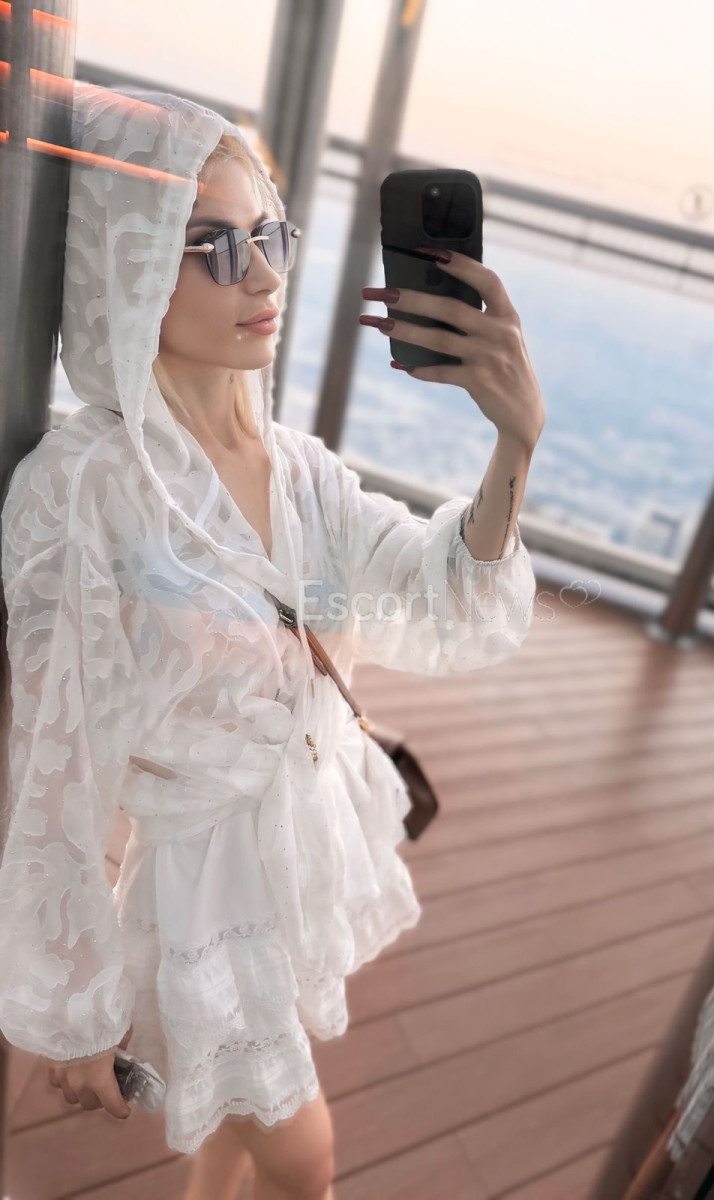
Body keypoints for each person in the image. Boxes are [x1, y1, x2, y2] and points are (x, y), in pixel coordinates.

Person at [0, 81, 544, 1199]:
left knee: (239, 1130)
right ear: (125, 266)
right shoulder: (84, 488)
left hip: (300, 837)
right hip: (202, 888)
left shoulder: (301, 470)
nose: (261, 276)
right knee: (304, 1158)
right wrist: (73, 1004)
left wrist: (515, 444)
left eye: (270, 236)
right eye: (211, 246)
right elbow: (56, 758)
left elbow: (440, 595)